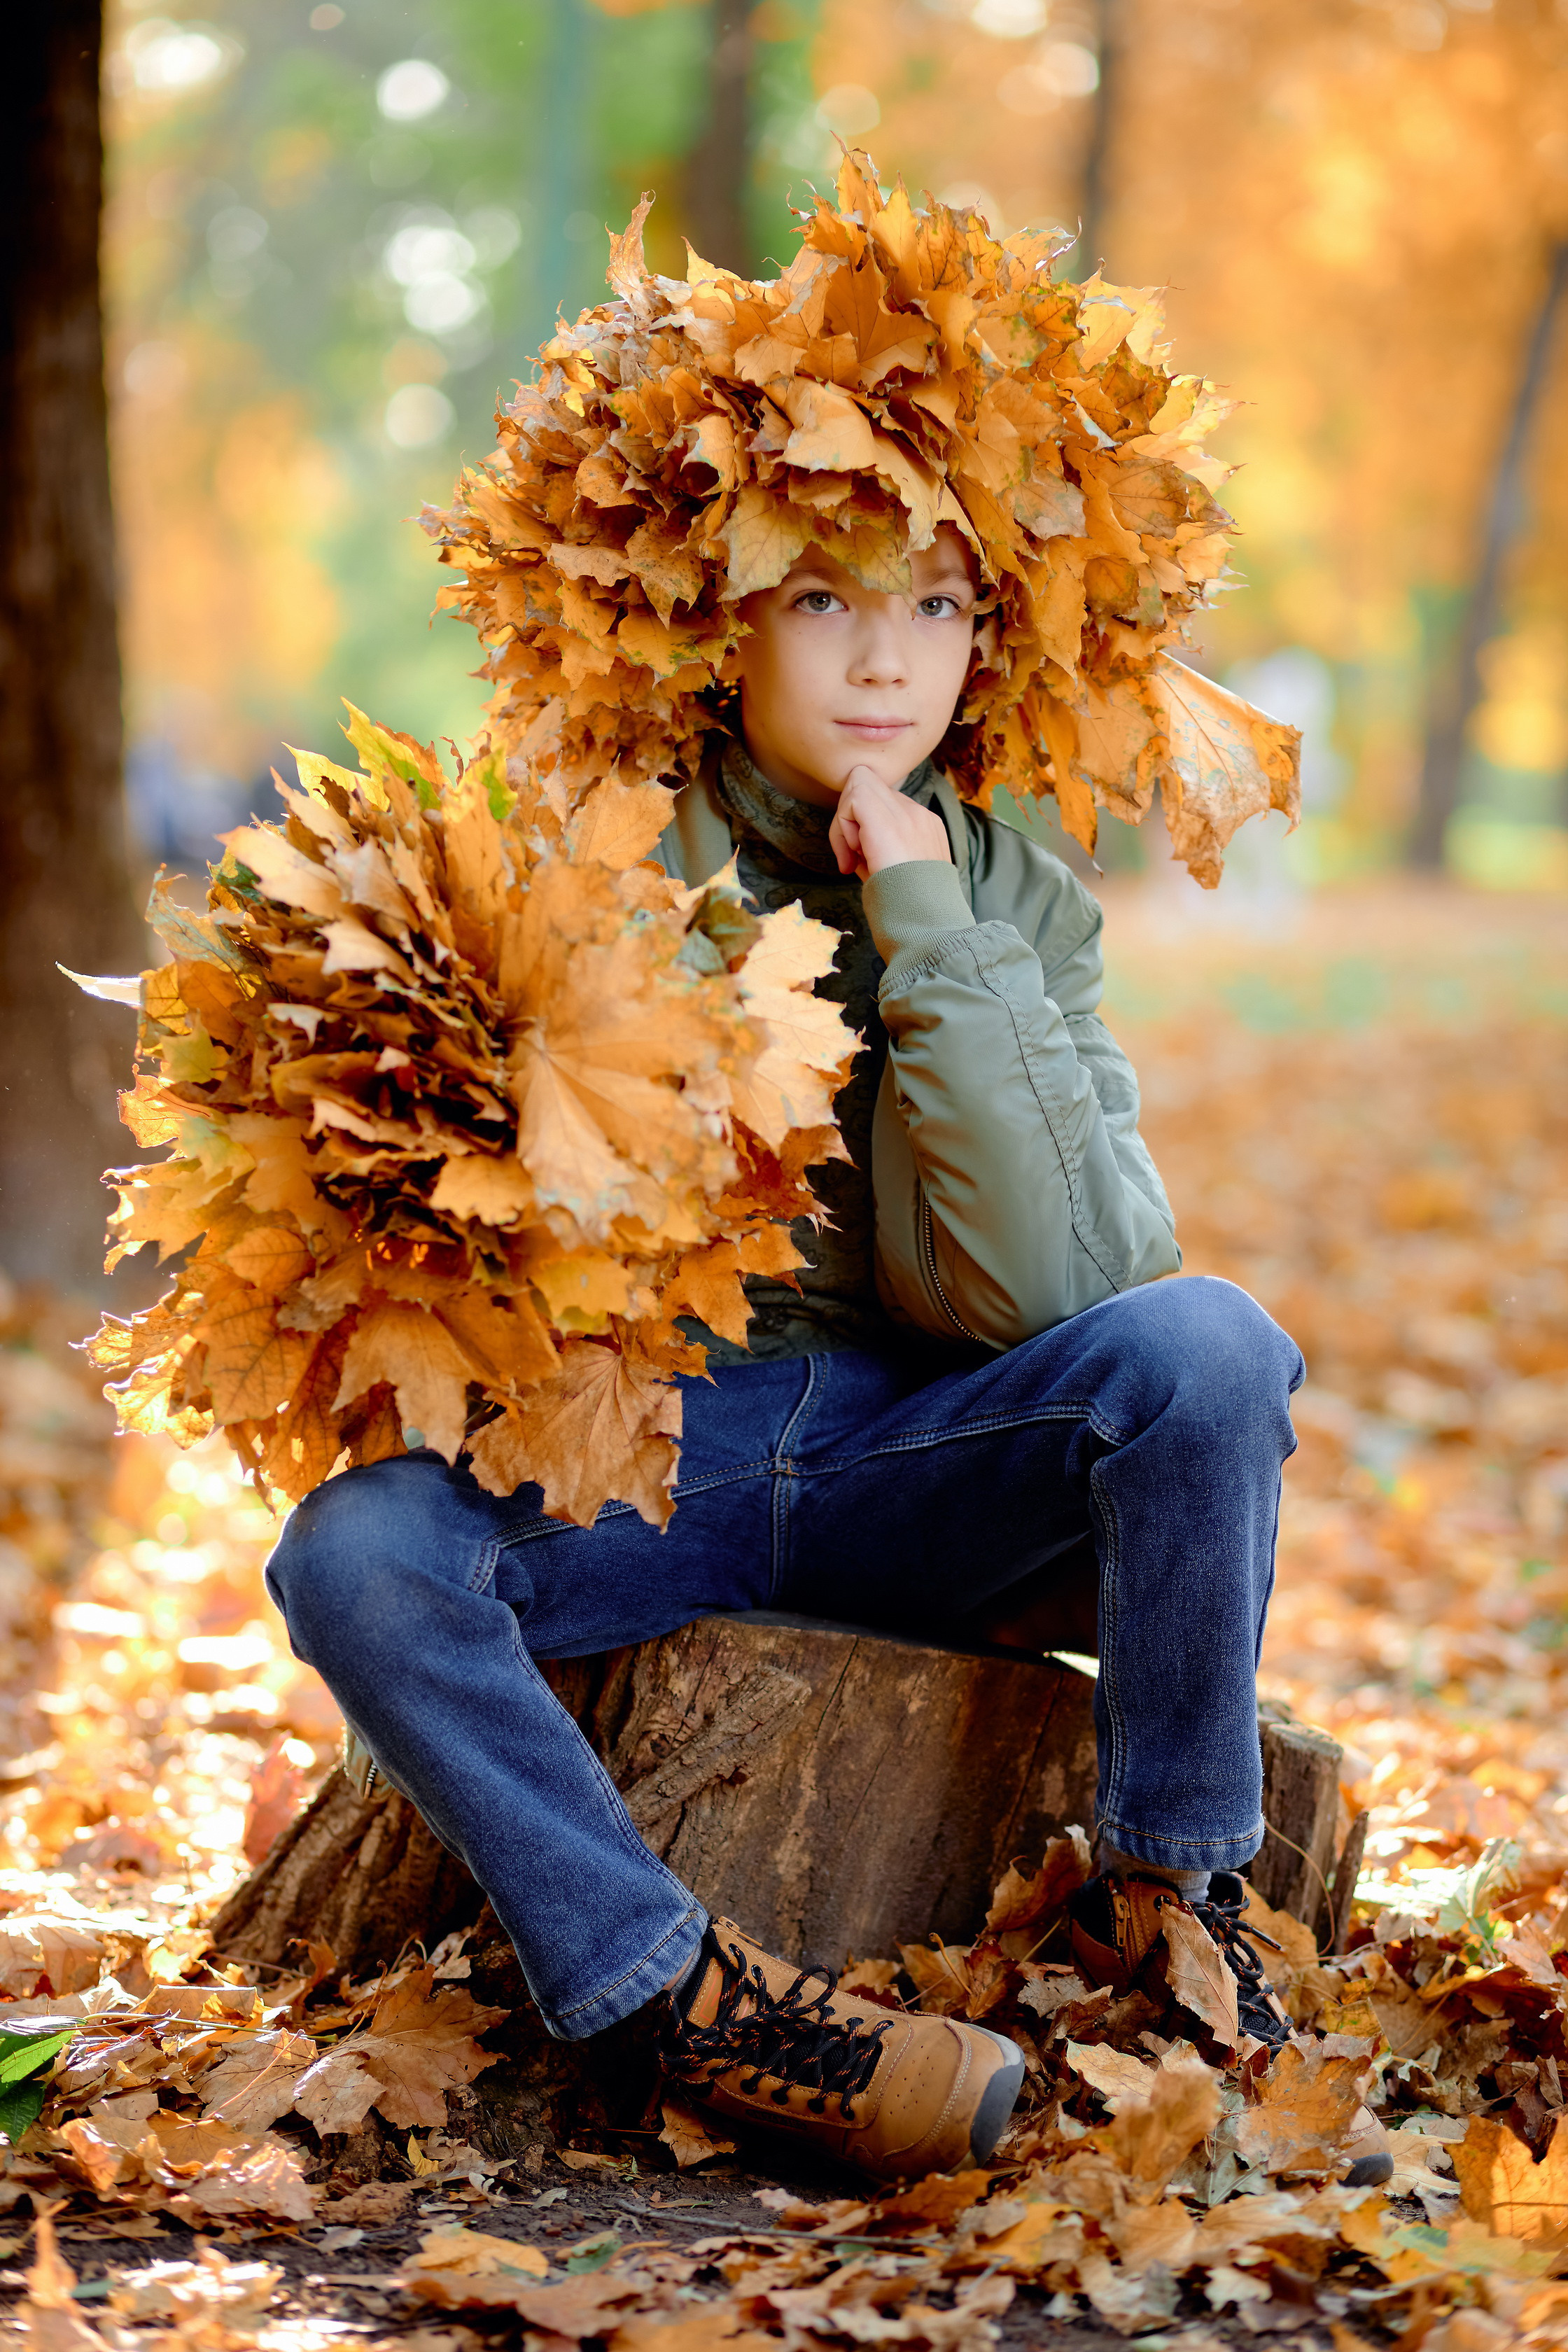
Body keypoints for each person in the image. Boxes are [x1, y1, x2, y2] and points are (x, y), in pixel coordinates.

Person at [265, 158, 1390, 2188]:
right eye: (828, 599)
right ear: (722, 607)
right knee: (352, 1557)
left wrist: (937, 937)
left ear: (997, 630)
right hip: (652, 1459)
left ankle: (1182, 1913)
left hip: (929, 1454)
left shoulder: (1016, 883)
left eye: (939, 607)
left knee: (1210, 1353)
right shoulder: (584, 840)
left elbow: (1053, 1293)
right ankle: (675, 2004)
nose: (891, 662)